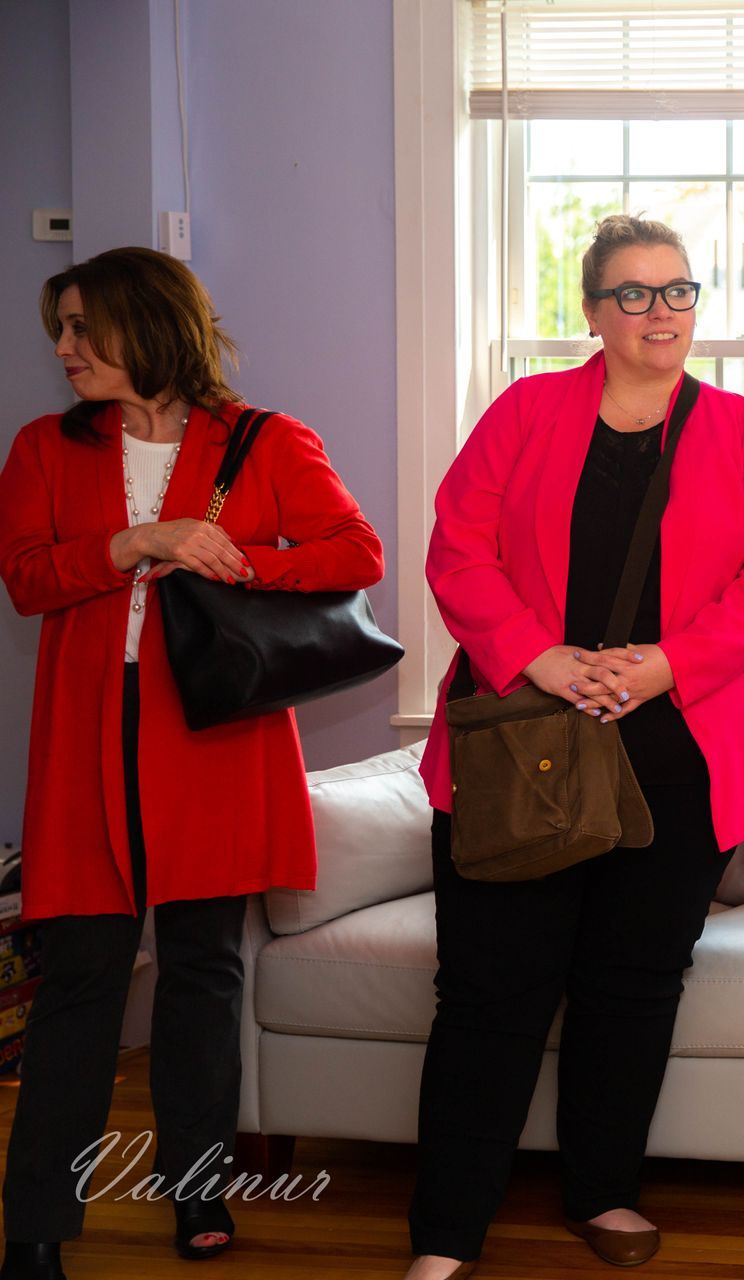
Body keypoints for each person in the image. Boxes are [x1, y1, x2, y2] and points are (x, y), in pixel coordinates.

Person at [406, 215, 744, 1280]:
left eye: (678, 291)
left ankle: (602, 1188)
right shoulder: (527, 411)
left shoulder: (740, 429)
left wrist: (665, 663)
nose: (659, 312)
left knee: (633, 984)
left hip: (678, 750)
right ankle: (447, 1232)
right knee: (491, 991)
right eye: (632, 293)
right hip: (522, 744)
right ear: (591, 310)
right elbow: (457, 545)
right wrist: (539, 655)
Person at [0, 247, 384, 1280]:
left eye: (85, 328)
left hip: (212, 731)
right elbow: (28, 579)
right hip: (89, 736)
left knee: (204, 973)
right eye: (61, 329)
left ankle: (198, 1187)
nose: (65, 349)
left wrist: (243, 559)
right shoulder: (44, 445)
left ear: (150, 326)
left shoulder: (262, 439)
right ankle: (38, 1221)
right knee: (79, 977)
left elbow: (357, 552)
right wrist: (137, 542)